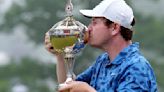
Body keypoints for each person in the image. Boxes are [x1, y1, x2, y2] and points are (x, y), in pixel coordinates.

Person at [45, 0, 158, 91]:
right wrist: (60, 55)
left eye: (94, 22)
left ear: (114, 28)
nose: (88, 28)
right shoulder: (103, 61)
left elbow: (81, 88)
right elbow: (69, 86)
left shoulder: (137, 66)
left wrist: (87, 91)